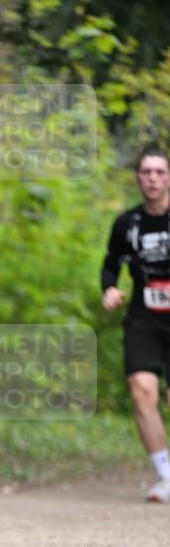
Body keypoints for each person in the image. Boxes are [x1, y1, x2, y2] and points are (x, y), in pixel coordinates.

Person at [101, 144, 170, 503]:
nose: (153, 179)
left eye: (160, 172)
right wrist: (109, 289)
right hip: (144, 316)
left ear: (169, 177)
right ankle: (166, 476)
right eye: (147, 172)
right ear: (138, 178)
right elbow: (110, 263)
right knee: (142, 391)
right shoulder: (127, 223)